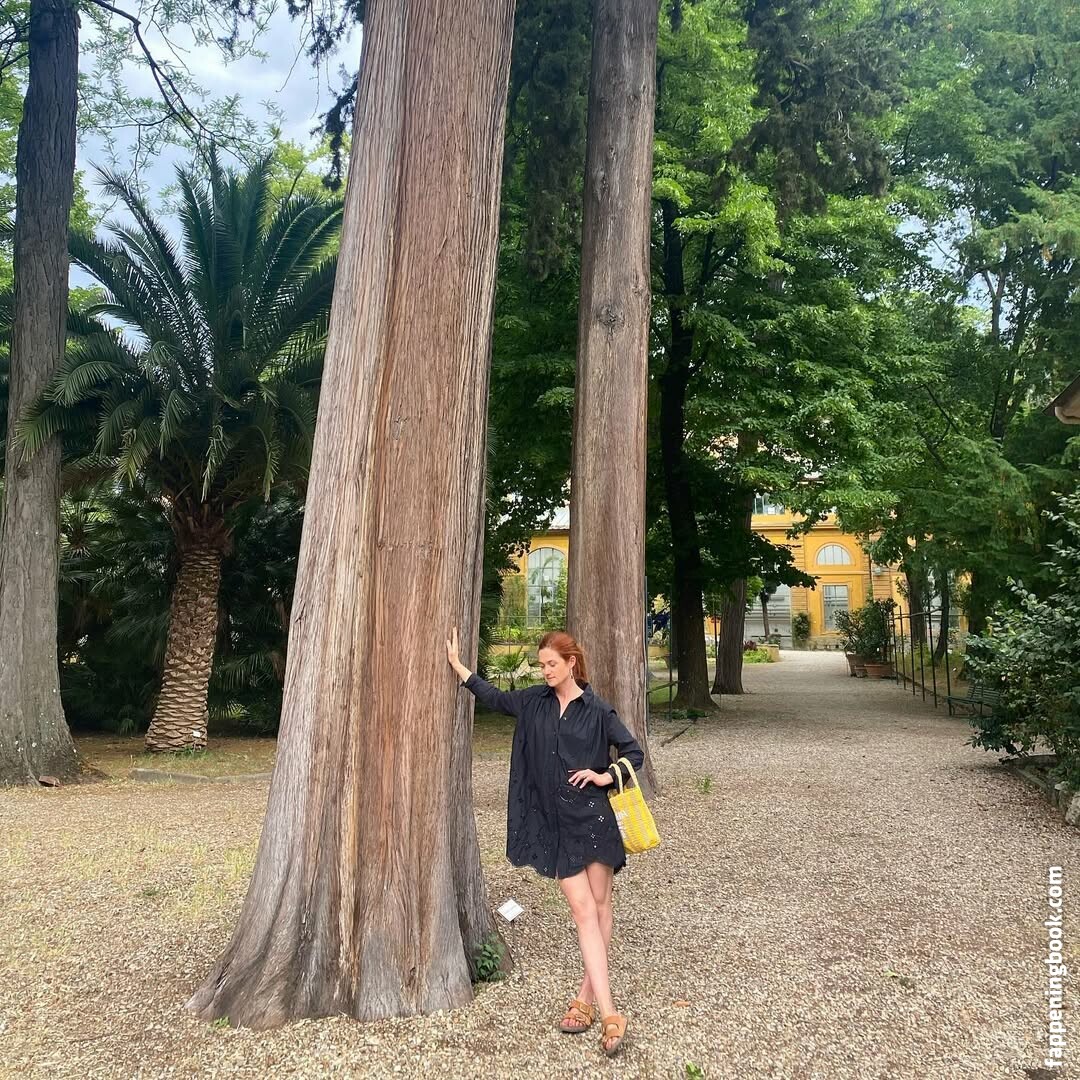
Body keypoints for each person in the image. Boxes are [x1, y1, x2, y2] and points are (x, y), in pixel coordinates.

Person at [445, 626, 645, 1058]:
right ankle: (611, 1013)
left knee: (601, 908)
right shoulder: (533, 702)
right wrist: (460, 668)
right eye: (541, 665)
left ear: (571, 663)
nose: (546, 671)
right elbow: (495, 697)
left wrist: (605, 776)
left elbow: (634, 753)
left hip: (594, 821)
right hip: (556, 828)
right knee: (583, 912)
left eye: (552, 664)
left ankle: (586, 999)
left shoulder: (597, 710)